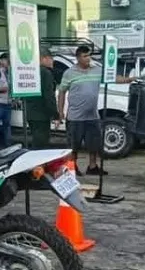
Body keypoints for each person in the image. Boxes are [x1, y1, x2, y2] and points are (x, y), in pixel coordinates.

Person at [58, 45, 135, 175]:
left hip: (92, 115)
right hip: (75, 116)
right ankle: (72, 168)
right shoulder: (69, 73)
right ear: (78, 58)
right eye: (85, 56)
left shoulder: (97, 70)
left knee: (94, 144)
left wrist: (128, 79)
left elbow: (113, 78)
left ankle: (92, 167)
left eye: (89, 55)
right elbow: (61, 92)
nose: (88, 59)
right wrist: (60, 111)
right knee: (73, 145)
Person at [24, 48, 59, 148]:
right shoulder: (45, 73)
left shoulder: (30, 71)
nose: (52, 61)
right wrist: (55, 115)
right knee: (41, 144)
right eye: (51, 58)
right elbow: (49, 96)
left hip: (31, 112)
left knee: (36, 140)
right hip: (41, 114)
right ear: (43, 58)